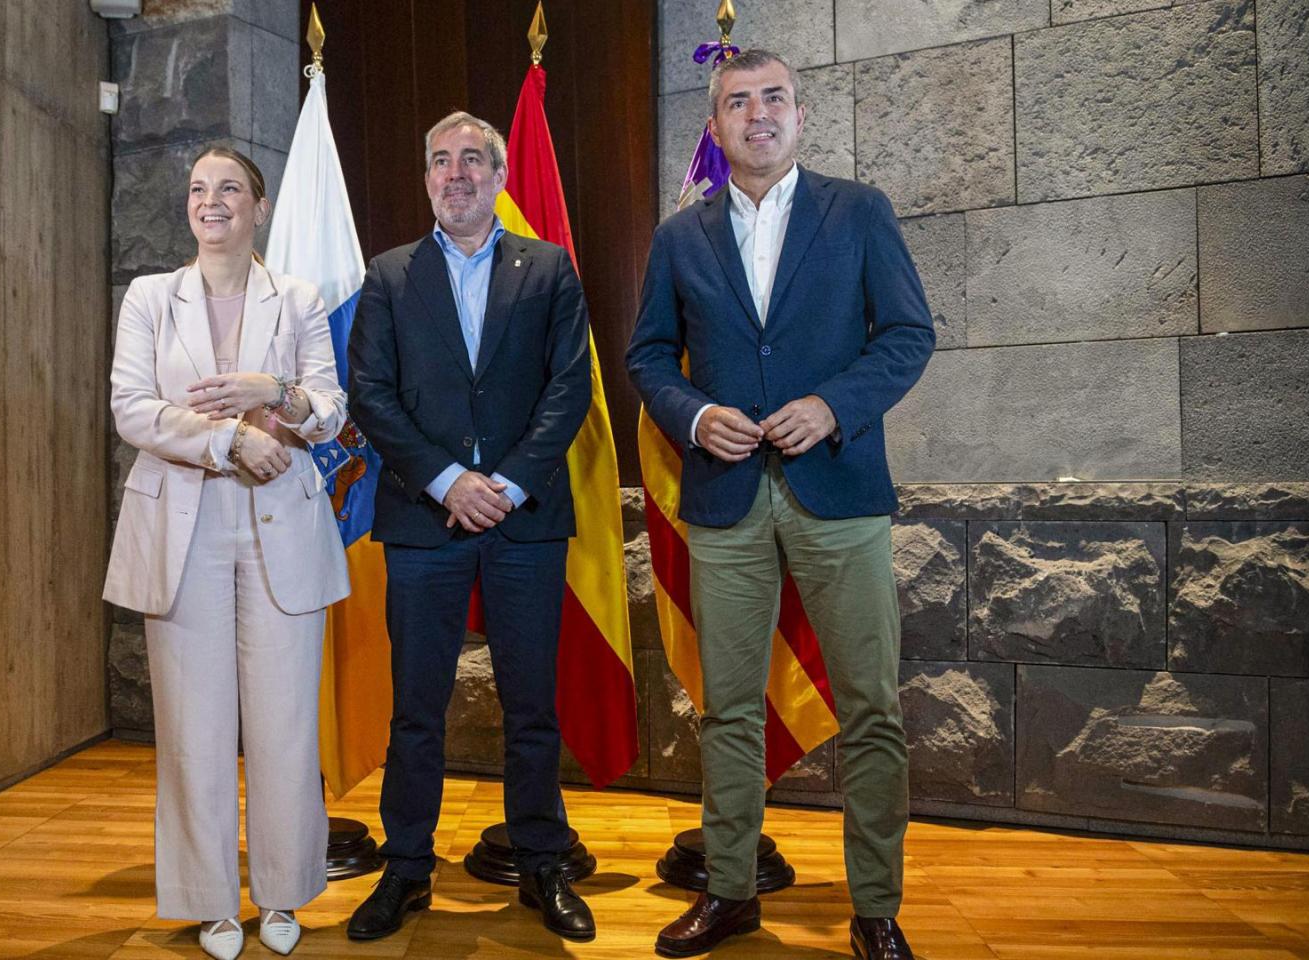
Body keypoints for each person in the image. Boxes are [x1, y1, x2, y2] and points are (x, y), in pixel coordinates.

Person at [625, 49, 936, 960]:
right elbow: (648, 356)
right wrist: (695, 412)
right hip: (723, 501)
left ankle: (876, 907)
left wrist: (834, 404)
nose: (756, 114)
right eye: (736, 102)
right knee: (728, 709)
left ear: (798, 116)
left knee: (871, 706)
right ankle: (730, 893)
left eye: (773, 99)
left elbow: (910, 335)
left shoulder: (859, 211)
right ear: (716, 127)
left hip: (837, 491)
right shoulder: (682, 236)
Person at [343, 111, 596, 943]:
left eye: (473, 161)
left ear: (498, 176)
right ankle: (407, 870)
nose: (456, 174)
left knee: (532, 707)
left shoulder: (550, 268)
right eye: (440, 161)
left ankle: (542, 863)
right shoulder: (387, 276)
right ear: (426, 179)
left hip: (525, 522)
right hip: (424, 520)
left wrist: (510, 484)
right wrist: (451, 482)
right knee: (417, 708)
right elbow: (371, 394)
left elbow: (568, 389)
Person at [103, 146, 350, 960]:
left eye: (230, 189)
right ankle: (209, 901)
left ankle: (283, 894)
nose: (212, 203)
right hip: (181, 528)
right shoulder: (148, 298)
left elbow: (326, 412)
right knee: (192, 727)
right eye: (199, 190)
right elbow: (132, 410)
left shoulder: (301, 299)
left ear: (261, 206)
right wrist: (232, 438)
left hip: (284, 522)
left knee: (284, 726)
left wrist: (270, 393)